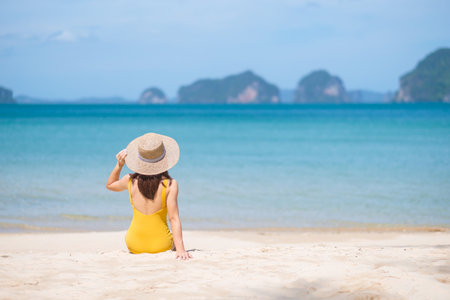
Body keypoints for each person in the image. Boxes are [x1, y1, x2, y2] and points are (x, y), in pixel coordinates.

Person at [106, 132, 192, 260]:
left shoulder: (130, 180)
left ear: (139, 160)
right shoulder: (170, 185)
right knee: (170, 239)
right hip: (161, 245)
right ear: (165, 160)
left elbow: (110, 185)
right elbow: (173, 218)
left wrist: (119, 165)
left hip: (134, 244)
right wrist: (180, 249)